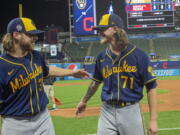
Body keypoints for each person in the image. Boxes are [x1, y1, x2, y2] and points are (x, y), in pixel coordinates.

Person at [0, 17, 89, 135]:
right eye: (30, 35)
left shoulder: (36, 56)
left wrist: (71, 72)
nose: (35, 38)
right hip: (16, 124)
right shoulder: (2, 65)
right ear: (16, 35)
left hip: (43, 118)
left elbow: (47, 70)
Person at [76, 14, 158, 135]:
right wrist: (84, 100)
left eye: (102, 29)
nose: (99, 32)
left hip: (130, 111)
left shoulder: (139, 56)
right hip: (107, 111)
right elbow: (95, 82)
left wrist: (153, 120)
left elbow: (151, 87)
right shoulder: (101, 57)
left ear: (115, 29)